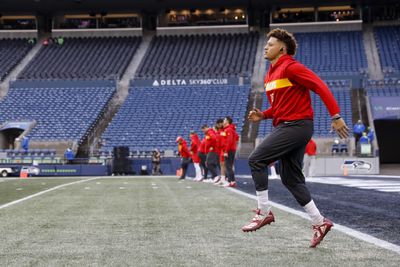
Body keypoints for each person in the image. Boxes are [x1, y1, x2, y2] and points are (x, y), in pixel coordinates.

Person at [242, 28, 349, 248]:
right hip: (289, 125)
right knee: (290, 179)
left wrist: (335, 115)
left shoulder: (291, 66)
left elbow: (320, 86)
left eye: (270, 44)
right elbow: (279, 106)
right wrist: (264, 114)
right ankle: (319, 222)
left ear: (282, 48)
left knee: (256, 159)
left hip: (297, 125)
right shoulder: (270, 74)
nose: (266, 47)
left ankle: (263, 211)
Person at [220, 116, 239, 187]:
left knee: (228, 166)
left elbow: (229, 141)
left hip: (229, 150)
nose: (223, 121)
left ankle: (232, 181)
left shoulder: (229, 130)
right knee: (229, 166)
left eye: (224, 120)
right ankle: (231, 181)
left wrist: (226, 151)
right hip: (230, 150)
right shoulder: (228, 129)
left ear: (227, 121)